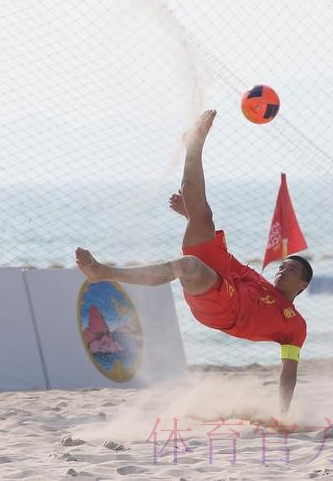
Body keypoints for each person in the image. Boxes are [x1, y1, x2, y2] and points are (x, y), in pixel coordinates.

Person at [75, 110, 312, 414]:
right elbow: (227, 261)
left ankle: (104, 272)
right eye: (282, 265)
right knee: (203, 216)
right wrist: (190, 217)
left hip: (225, 309)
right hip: (226, 283)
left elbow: (288, 372)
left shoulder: (295, 325)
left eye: (291, 269)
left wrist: (283, 414)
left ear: (302, 284)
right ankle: (194, 144)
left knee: (187, 265)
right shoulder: (260, 283)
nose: (282, 269)